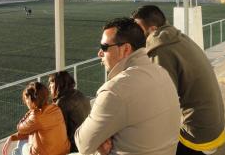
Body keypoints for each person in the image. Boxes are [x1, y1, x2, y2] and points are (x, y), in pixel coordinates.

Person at [74, 18, 180, 155]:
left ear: (125, 49)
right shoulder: (162, 72)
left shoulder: (115, 91)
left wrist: (102, 142)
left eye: (104, 47)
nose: (100, 53)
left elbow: (82, 144)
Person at [132, 5, 225, 155]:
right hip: (214, 126)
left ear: (152, 29)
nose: (134, 35)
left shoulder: (160, 49)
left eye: (138, 30)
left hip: (197, 134)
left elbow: (161, 101)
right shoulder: (177, 37)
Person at [2, 82, 70, 155]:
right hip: (64, 150)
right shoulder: (55, 108)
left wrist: (31, 110)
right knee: (29, 137)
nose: (26, 102)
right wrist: (12, 137)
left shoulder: (36, 116)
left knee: (19, 148)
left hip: (47, 153)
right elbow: (33, 129)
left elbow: (20, 128)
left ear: (32, 100)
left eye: (26, 99)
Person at [48, 71, 91, 154]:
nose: (49, 87)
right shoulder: (79, 93)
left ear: (59, 85)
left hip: (74, 146)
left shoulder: (61, 103)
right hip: (87, 140)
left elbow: (58, 131)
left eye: (51, 83)